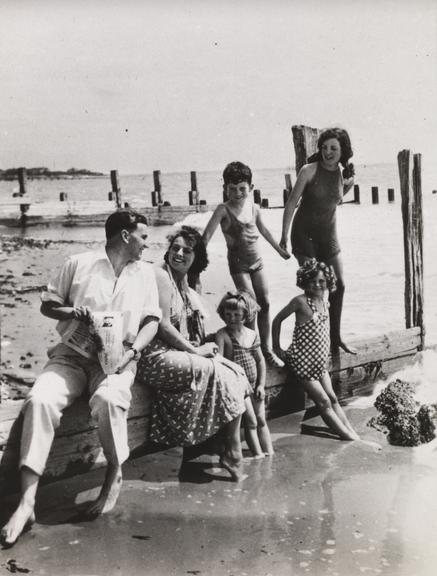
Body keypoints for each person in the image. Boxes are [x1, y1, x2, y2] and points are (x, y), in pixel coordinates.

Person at [1, 209, 161, 548]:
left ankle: (113, 476)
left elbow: (151, 321)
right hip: (72, 355)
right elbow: (47, 304)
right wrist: (71, 312)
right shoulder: (78, 263)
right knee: (40, 399)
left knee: (107, 399)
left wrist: (133, 353)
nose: (148, 243)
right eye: (143, 236)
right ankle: (27, 501)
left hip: (118, 359)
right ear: (124, 235)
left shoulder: (146, 274)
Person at [135, 226, 250, 482]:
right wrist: (197, 351)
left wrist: (205, 346)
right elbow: (163, 325)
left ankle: (226, 444)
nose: (179, 254)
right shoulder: (161, 276)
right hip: (152, 356)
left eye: (187, 250)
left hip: (173, 352)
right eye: (175, 248)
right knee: (212, 368)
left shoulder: (184, 283)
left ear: (196, 257)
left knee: (236, 370)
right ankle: (231, 449)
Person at [203, 161, 290, 367]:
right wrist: (198, 263)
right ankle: (252, 351)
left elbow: (264, 231)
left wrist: (280, 251)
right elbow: (205, 236)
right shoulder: (222, 210)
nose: (237, 193)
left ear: (251, 188)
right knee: (250, 307)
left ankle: (267, 350)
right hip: (238, 265)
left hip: (257, 262)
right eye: (232, 189)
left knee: (265, 303)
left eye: (242, 188)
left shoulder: (254, 207)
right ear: (225, 188)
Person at [279, 127, 356, 354]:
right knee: (315, 289)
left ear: (343, 150)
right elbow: (292, 203)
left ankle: (335, 339)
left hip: (328, 236)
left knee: (339, 285)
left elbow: (336, 200)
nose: (328, 152)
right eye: (324, 147)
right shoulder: (308, 170)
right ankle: (308, 343)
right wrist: (283, 236)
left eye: (333, 148)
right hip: (304, 236)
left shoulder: (345, 175)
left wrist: (347, 185)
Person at [272, 259, 359, 441]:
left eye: (321, 281)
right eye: (312, 281)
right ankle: (347, 437)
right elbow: (277, 320)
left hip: (319, 364)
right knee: (324, 402)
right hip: (302, 362)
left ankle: (349, 429)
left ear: (328, 281)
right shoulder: (300, 302)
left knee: (333, 398)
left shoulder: (324, 302)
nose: (317, 285)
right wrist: (276, 347)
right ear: (304, 282)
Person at [216, 291, 274, 458]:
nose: (231, 318)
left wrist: (261, 385)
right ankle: (257, 455)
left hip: (254, 385)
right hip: (238, 387)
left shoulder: (252, 335)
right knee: (251, 422)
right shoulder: (223, 335)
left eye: (236, 315)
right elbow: (219, 361)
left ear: (246, 315)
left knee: (262, 421)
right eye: (227, 314)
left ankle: (269, 452)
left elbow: (260, 361)